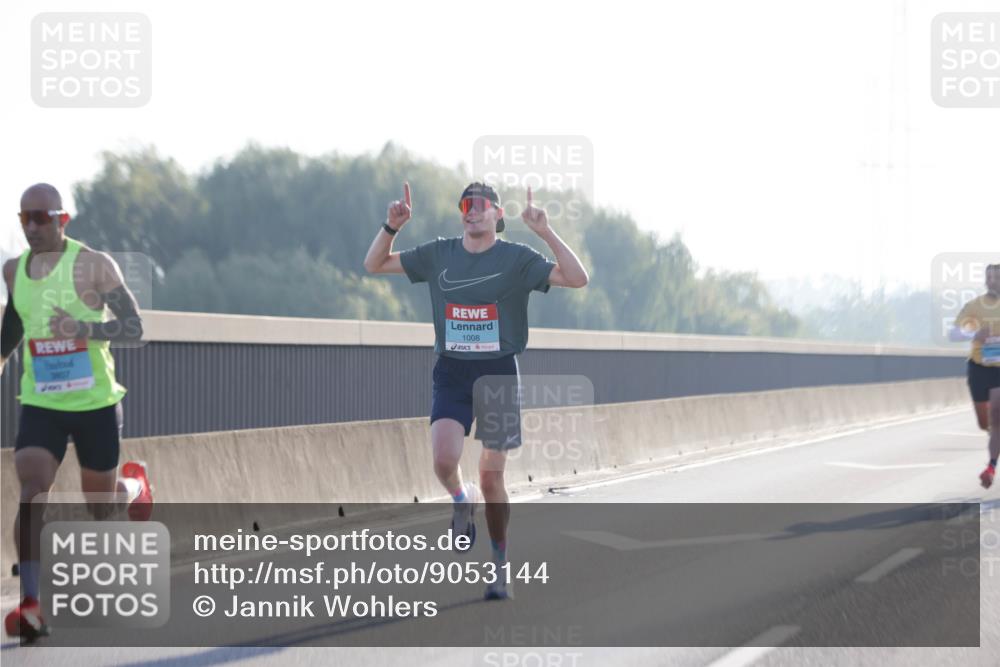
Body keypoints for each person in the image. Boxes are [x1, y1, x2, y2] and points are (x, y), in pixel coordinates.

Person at [364, 181, 588, 599]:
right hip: (452, 371)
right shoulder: (439, 254)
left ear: (498, 214)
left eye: (482, 204)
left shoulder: (517, 258)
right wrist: (392, 226)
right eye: (466, 204)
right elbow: (374, 264)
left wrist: (545, 232)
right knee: (443, 460)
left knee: (491, 479)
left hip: (498, 373)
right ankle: (459, 498)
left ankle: (500, 564)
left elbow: (577, 278)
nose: (472, 210)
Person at [1, 183, 151, 641]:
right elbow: (15, 323)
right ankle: (31, 603)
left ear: (62, 220)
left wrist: (82, 328)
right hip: (42, 402)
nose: (31, 227)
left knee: (100, 507)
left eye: (41, 218)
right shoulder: (13, 270)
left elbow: (134, 328)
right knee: (32, 490)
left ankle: (135, 486)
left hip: (95, 403)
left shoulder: (94, 265)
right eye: (24, 217)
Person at [950, 263, 1000, 488]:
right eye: (989, 277)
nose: (992, 281)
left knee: (997, 415)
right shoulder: (975, 306)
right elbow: (953, 333)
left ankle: (991, 467)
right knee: (984, 423)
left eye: (996, 277)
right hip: (979, 368)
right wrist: (974, 334)